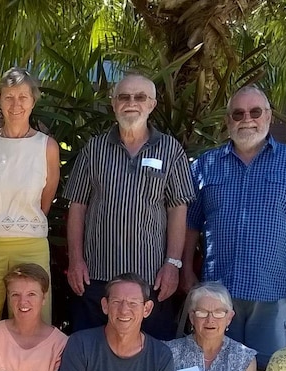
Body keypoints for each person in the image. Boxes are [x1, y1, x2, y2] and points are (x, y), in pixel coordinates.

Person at [184, 85, 286, 370]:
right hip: (218, 293)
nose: (246, 118)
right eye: (238, 113)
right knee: (217, 368)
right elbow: (190, 225)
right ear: (228, 121)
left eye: (255, 112)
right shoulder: (205, 165)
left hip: (274, 289)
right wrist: (185, 269)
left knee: (270, 369)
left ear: (268, 117)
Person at [64, 72, 195, 341]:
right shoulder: (94, 149)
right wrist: (75, 260)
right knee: (91, 352)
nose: (131, 103)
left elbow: (178, 209)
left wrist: (172, 264)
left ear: (152, 104)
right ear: (113, 104)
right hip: (97, 276)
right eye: (124, 97)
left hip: (150, 280)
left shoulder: (171, 151)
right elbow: (77, 206)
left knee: (151, 355)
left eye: (140, 97)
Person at [0, 67, 60, 352]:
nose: (16, 105)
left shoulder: (47, 147)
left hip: (30, 245)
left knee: (34, 320)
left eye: (23, 97)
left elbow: (45, 201)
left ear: (33, 101)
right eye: (9, 97)